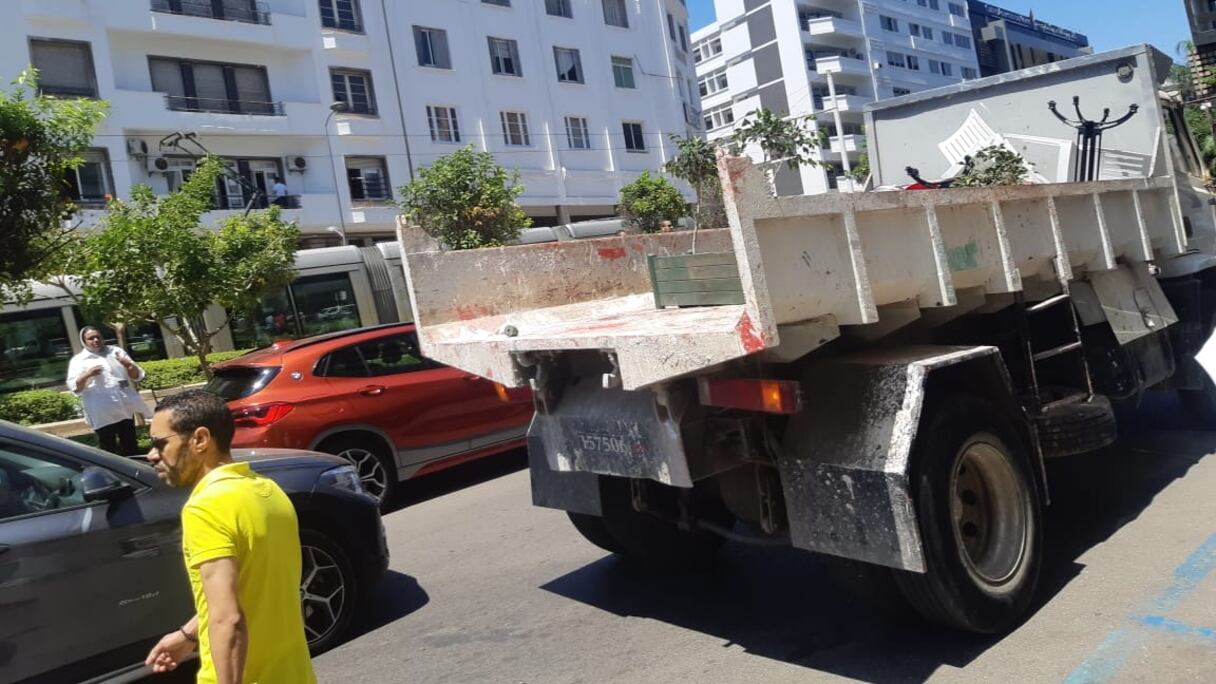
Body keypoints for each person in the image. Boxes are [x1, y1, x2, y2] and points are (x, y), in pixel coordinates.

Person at [144, 390, 316, 684]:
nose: (151, 455)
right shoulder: (267, 490)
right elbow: (253, 591)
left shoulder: (205, 507)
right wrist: (187, 635)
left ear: (200, 439)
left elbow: (229, 619)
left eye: (160, 444)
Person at [65, 326, 151, 456]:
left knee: (130, 443)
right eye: (90, 338)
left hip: (124, 407)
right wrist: (87, 374)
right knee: (108, 446)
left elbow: (136, 376)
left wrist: (128, 365)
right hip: (101, 411)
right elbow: (75, 387)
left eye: (98, 337)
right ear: (84, 341)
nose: (95, 340)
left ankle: (134, 469)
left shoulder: (115, 352)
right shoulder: (78, 360)